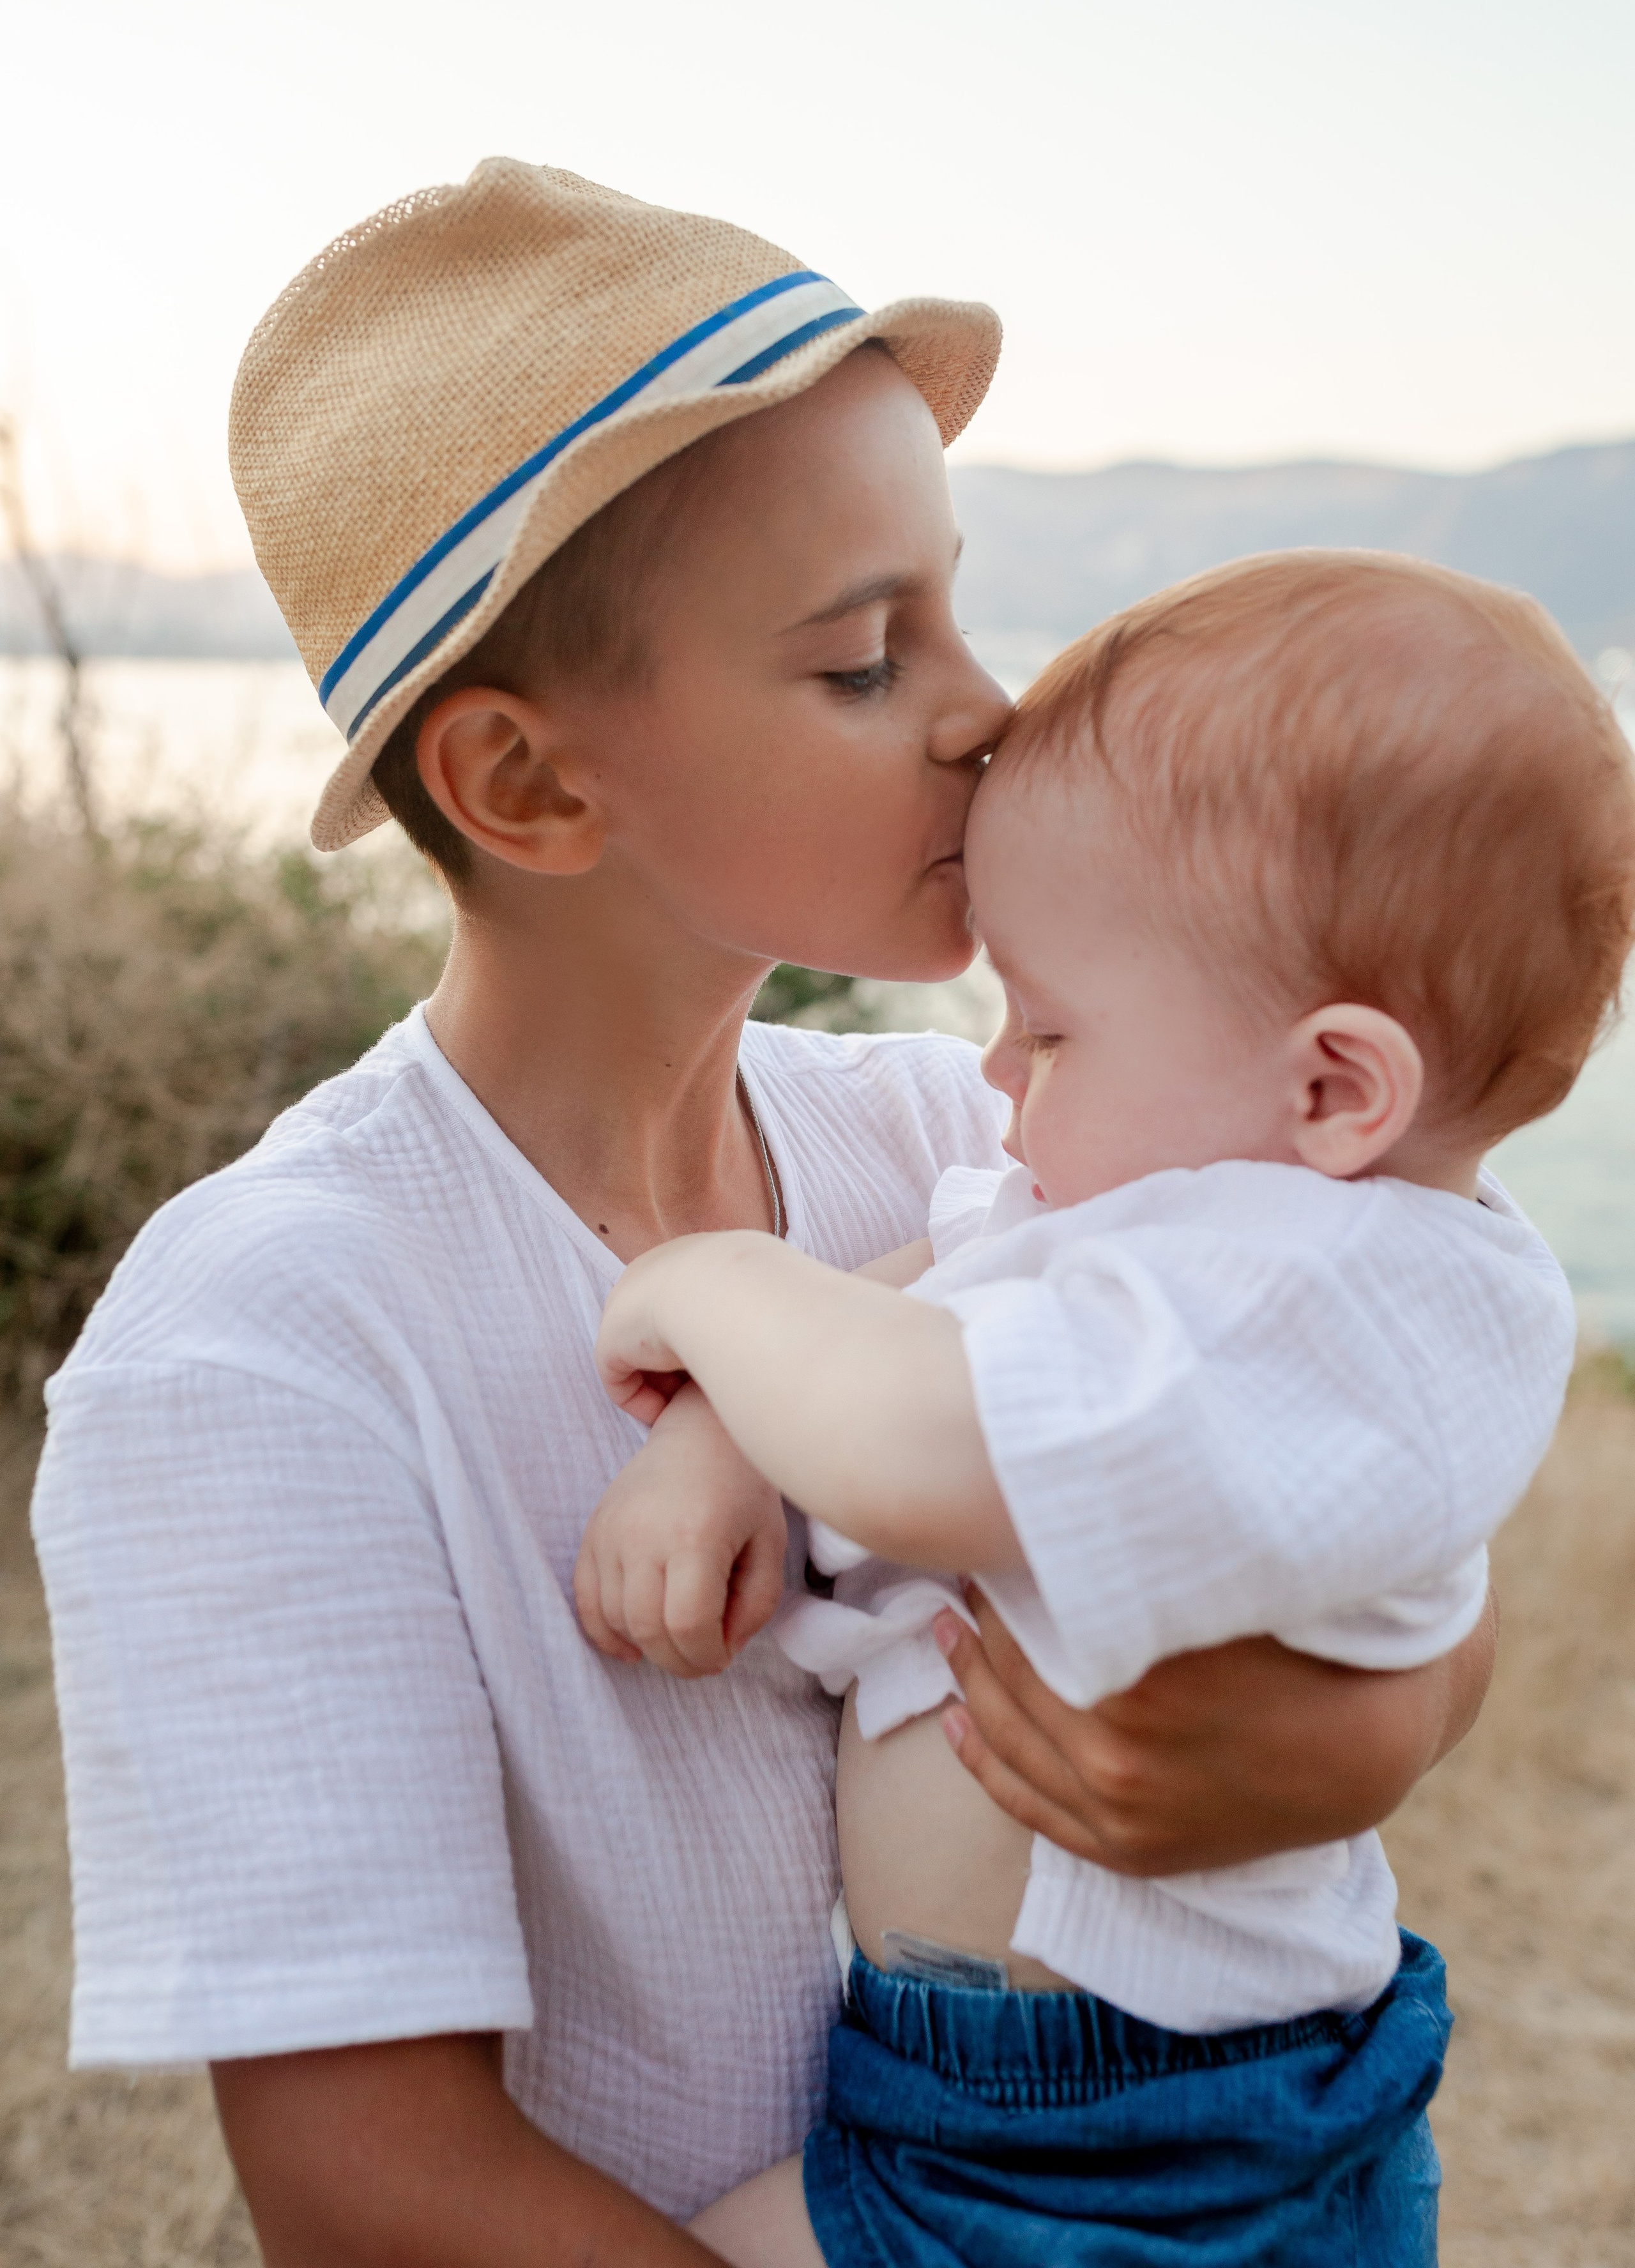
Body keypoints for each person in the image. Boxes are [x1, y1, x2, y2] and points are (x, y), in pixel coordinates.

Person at [34, 163, 1496, 2268]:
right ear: (531, 786)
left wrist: (1341, 1738)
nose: (988, 710)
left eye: (959, 612)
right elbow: (373, 2194)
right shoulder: (270, 1344)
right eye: (863, 662)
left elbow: (1383, 1511)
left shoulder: (966, 1142)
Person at [577, 551, 1635, 2265]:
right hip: (995, 2098)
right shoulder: (1186, 1207)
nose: (1000, 1073)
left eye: (1053, 1028)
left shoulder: (1339, 1286)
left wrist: (710, 1289)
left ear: (1334, 1085)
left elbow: (928, 1440)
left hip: (1144, 2132)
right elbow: (948, 1279)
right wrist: (716, 1441)